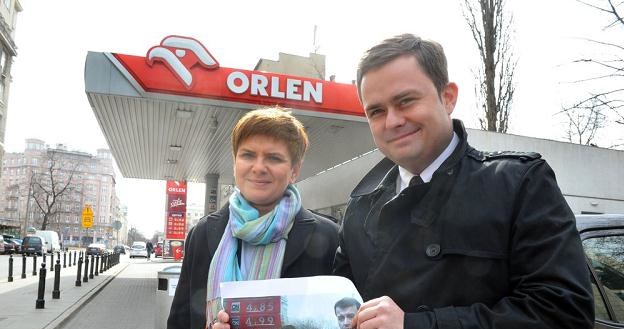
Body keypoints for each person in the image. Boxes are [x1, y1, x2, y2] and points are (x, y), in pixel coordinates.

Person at [333, 34, 594, 329]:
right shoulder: (358, 209)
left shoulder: (520, 183)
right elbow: (338, 312)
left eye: (405, 101)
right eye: (376, 111)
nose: (392, 121)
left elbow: (562, 313)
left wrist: (415, 325)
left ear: (448, 97)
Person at [167, 107, 339, 329]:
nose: (258, 168)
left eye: (274, 158)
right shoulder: (203, 234)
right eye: (248, 155)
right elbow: (180, 321)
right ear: (235, 163)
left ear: (294, 171)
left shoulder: (329, 237)